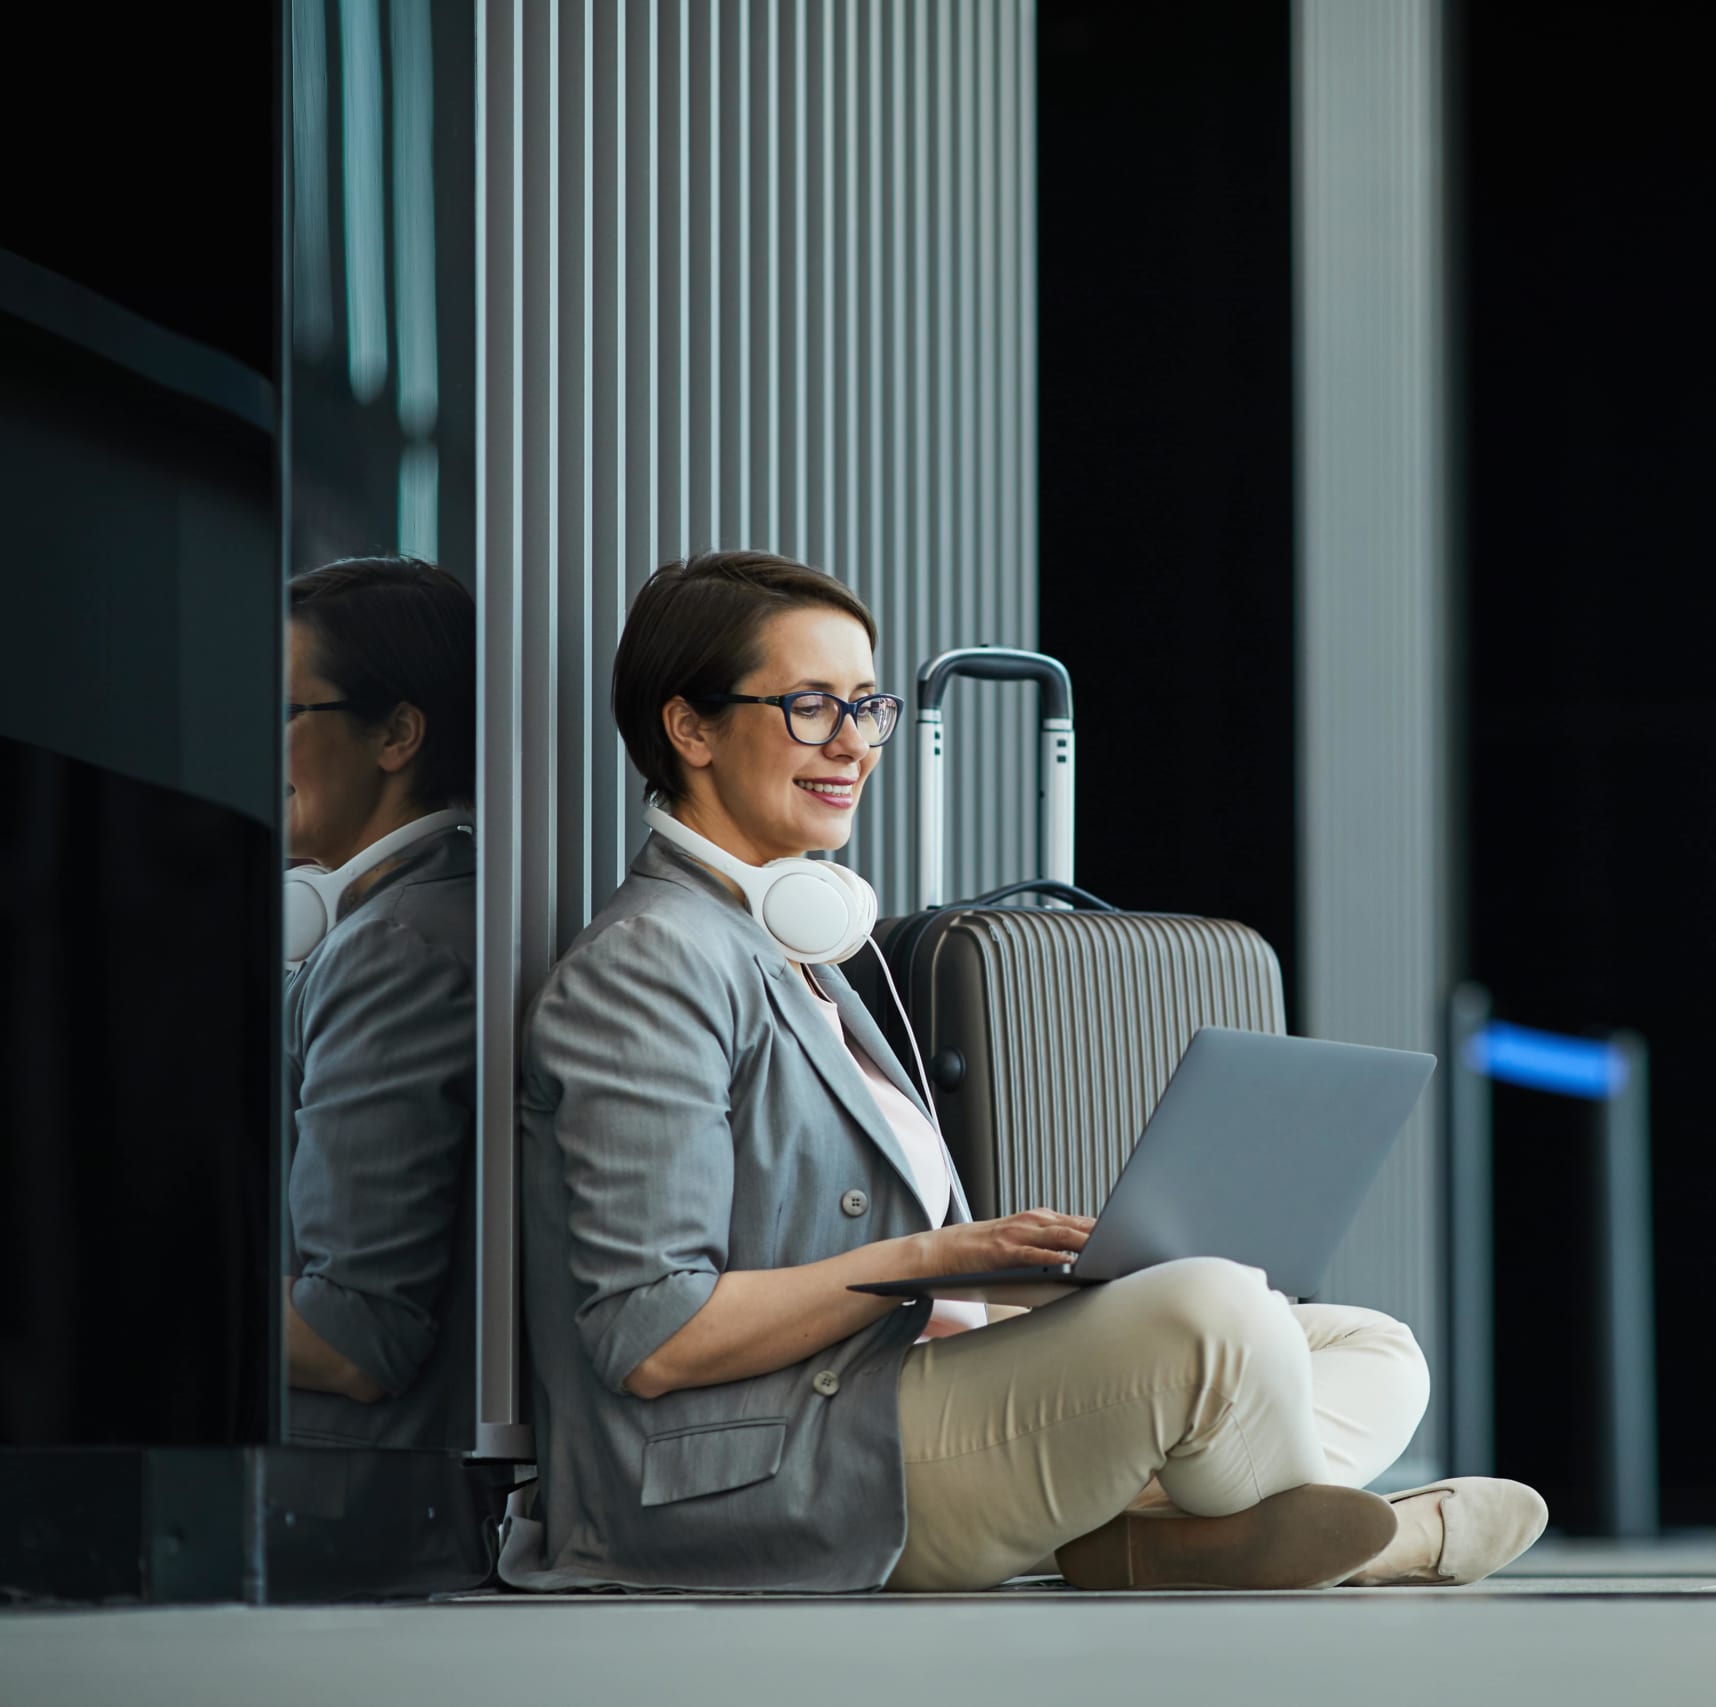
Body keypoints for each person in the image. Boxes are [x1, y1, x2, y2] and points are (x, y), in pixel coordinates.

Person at [498, 549, 1547, 1592]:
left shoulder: (794, 946)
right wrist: (933, 1257)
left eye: (869, 705)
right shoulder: (647, 964)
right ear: (689, 728)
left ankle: (1170, 1538)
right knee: (1215, 1318)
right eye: (811, 705)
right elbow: (653, 1334)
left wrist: (1023, 1283)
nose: (854, 743)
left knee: (1368, 1345)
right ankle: (1346, 1545)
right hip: (761, 1469)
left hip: (905, 1390)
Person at [282, 556, 478, 1450]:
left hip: (338, 1515)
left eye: (285, 711)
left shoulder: (392, 950)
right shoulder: (420, 911)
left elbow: (353, 1336)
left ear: (396, 733)